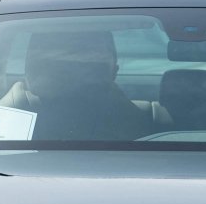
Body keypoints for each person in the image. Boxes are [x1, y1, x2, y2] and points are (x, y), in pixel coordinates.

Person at [17, 29, 153, 141]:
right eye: (63, 69)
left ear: (28, 72)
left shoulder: (6, 117)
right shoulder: (137, 122)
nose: (73, 75)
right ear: (113, 73)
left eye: (88, 67)